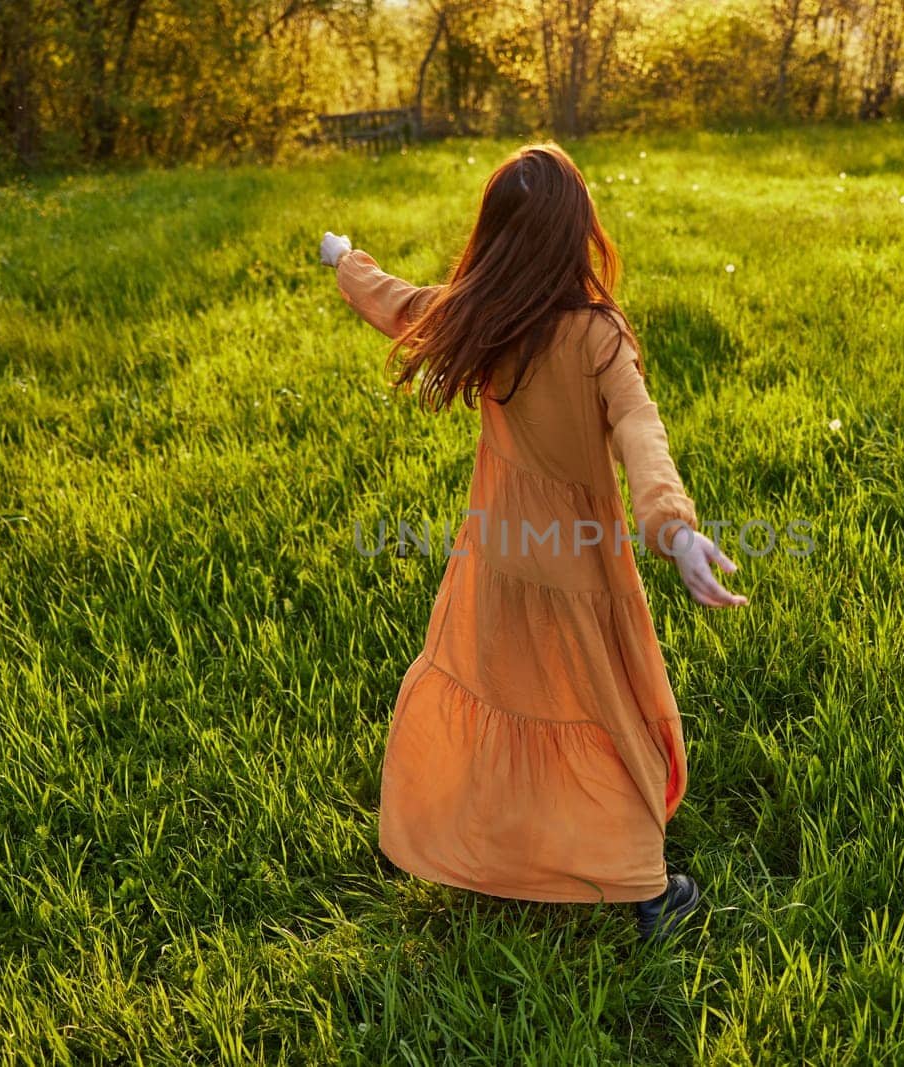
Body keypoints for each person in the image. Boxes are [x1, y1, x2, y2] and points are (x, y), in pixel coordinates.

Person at [319, 142, 747, 944]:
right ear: (576, 231)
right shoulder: (596, 333)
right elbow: (640, 428)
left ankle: (494, 840)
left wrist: (345, 259)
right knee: (604, 710)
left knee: (508, 690)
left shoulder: (479, 312)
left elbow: (395, 300)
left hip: (498, 552)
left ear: (499, 235)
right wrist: (674, 529)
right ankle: (647, 891)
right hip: (580, 560)